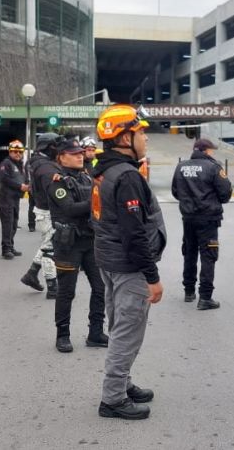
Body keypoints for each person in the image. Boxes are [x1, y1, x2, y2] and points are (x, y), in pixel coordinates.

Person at [93, 105, 164, 420]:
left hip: (109, 261)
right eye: (141, 132)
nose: (145, 137)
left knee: (120, 325)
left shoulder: (105, 169)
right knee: (127, 330)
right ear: (124, 137)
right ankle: (113, 399)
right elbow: (134, 234)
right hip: (127, 266)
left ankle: (123, 383)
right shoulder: (127, 176)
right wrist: (153, 277)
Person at [48, 139, 107, 353]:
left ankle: (96, 332)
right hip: (68, 244)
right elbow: (70, 208)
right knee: (66, 292)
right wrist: (97, 201)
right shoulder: (57, 182)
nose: (80, 156)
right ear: (61, 157)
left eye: (81, 153)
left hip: (90, 240)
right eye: (74, 154)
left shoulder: (85, 177)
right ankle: (62, 335)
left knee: (100, 288)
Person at [171, 138, 232, 309]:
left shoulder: (181, 166)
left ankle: (189, 291)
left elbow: (175, 191)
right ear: (206, 150)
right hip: (208, 219)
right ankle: (205, 297)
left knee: (189, 253)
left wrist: (189, 202)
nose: (212, 153)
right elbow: (225, 193)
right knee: (208, 256)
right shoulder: (214, 167)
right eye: (211, 150)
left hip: (188, 218)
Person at [21, 133, 61, 297]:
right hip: (48, 211)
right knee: (50, 249)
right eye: (55, 146)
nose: (58, 150)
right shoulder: (45, 168)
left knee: (47, 244)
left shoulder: (38, 162)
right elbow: (54, 192)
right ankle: (52, 287)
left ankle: (31, 273)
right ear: (48, 147)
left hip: (42, 209)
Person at [0, 140, 29, 260]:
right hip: (6, 198)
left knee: (14, 224)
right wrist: (20, 186)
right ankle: (6, 249)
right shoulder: (6, 163)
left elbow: (22, 178)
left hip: (15, 198)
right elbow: (5, 179)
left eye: (20, 152)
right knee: (8, 224)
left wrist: (27, 185)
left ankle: (10, 246)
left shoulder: (19, 164)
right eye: (15, 152)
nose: (18, 154)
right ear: (10, 152)